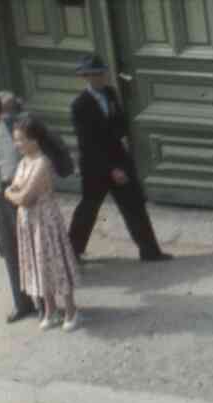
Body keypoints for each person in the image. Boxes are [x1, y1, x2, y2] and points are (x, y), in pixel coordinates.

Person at [67, 54, 171, 262]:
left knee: (134, 206)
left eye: (101, 73)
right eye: (94, 75)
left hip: (119, 159)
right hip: (96, 166)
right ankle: (71, 252)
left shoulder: (111, 94)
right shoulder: (80, 105)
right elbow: (88, 143)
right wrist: (111, 169)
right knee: (88, 209)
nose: (100, 78)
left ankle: (150, 251)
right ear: (85, 77)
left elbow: (120, 124)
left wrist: (122, 156)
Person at [4, 116, 80, 331]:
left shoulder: (42, 163)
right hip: (28, 221)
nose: (17, 144)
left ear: (34, 140)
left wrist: (11, 193)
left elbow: (23, 196)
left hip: (45, 221)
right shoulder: (23, 163)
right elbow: (15, 189)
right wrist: (14, 192)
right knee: (37, 263)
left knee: (55, 262)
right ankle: (51, 309)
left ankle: (72, 310)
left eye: (20, 140)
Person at [0, 89, 36, 322]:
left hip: (16, 190)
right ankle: (22, 303)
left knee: (30, 247)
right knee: (9, 250)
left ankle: (45, 302)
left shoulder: (14, 127)